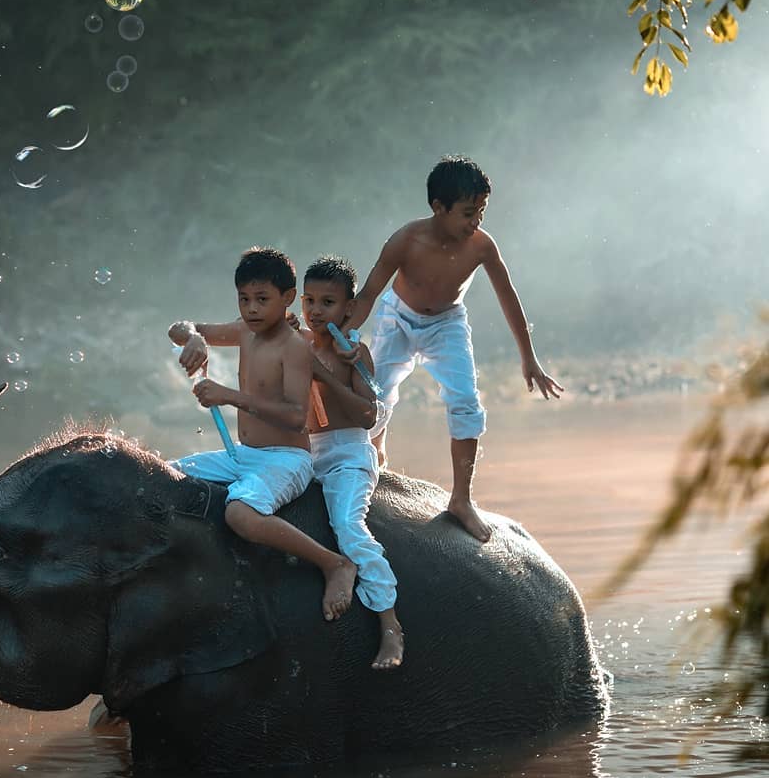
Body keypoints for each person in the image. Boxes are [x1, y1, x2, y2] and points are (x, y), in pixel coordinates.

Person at [339, 155, 563, 543]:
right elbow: (370, 293)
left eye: (481, 211)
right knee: (377, 397)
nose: (475, 221)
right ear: (437, 208)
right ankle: (374, 454)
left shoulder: (481, 246)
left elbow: (508, 297)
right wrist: (341, 333)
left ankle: (462, 499)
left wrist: (528, 357)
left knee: (465, 402)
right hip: (399, 318)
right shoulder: (406, 240)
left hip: (447, 324)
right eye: (467, 213)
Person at [168, 246, 358, 622]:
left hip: (286, 458)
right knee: (163, 474)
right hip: (244, 453)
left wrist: (228, 396)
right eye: (244, 299)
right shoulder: (244, 331)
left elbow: (293, 415)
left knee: (240, 513)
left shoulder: (295, 347)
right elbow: (178, 327)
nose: (251, 309)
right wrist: (193, 337)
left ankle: (334, 563)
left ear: (288, 299)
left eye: (262, 300)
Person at [300, 255, 403, 669]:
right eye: (309, 300)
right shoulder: (297, 345)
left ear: (347, 309)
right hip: (305, 452)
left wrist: (324, 376)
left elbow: (367, 415)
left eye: (327, 303)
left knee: (347, 525)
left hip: (347, 453)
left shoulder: (354, 354)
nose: (316, 311)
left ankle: (391, 626)